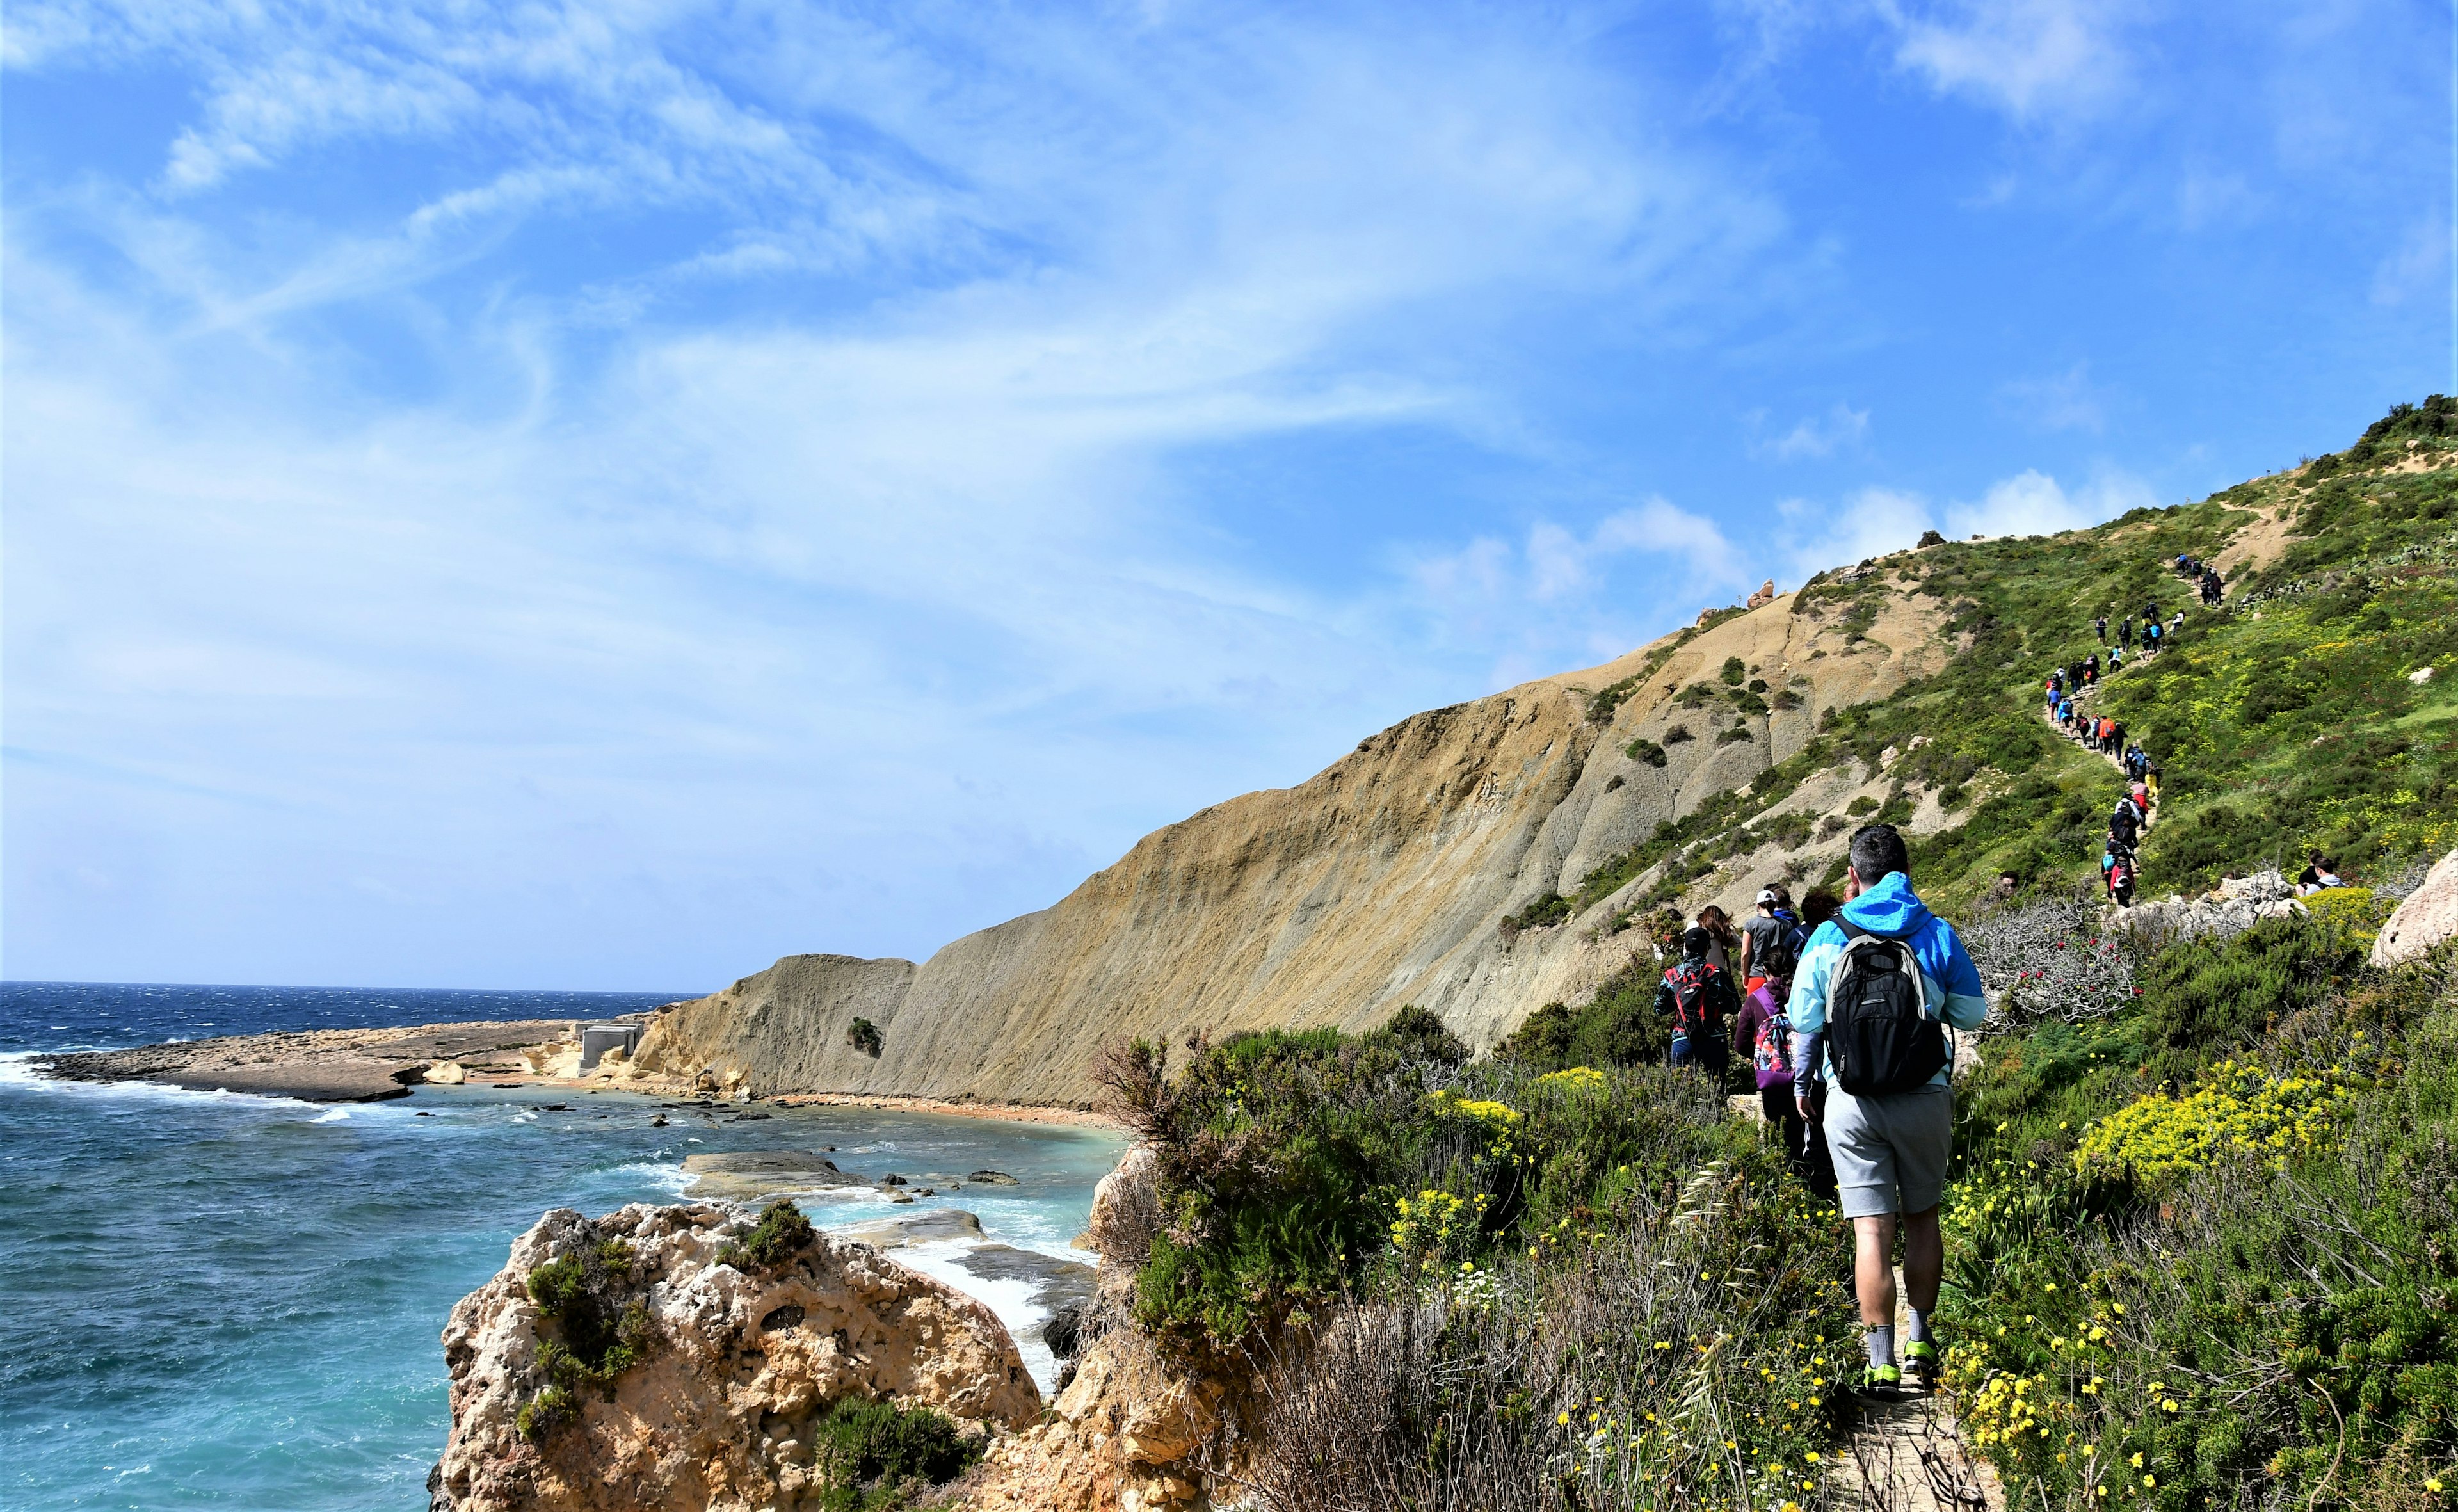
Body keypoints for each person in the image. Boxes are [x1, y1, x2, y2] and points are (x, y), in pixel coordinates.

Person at [1789, 824, 1988, 1396]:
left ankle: (1880, 1363)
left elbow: (1804, 1021)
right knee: (1923, 1219)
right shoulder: (1934, 930)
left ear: (1853, 876)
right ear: (1906, 872)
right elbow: (1972, 1015)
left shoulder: (1829, 936)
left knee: (1871, 1233)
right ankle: (1921, 1341)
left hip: (1852, 1101)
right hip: (1924, 1094)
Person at [1733, 974, 1808, 1181]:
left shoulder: (1755, 1000)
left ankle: (1781, 1179)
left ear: (1766, 970)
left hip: (1771, 1080)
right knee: (1801, 1132)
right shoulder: (1802, 995)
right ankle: (1805, 1178)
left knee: (1775, 1130)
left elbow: (1740, 1043)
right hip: (1802, 1077)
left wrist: (1762, 1058)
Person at [1657, 927, 1739, 1077]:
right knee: (1717, 1088)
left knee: (1683, 1091)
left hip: (1682, 1037)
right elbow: (1735, 1006)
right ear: (1707, 948)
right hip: (1714, 1037)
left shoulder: (1671, 976)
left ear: (1685, 947)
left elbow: (1659, 1009)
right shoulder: (1717, 973)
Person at [1740, 887, 1804, 993]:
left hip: (1757, 974)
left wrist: (1744, 973)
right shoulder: (1786, 924)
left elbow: (1745, 952)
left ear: (1758, 906)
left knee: (1754, 1007)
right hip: (1780, 976)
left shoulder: (1751, 924)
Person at [1694, 904, 1740, 976]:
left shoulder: (1694, 925)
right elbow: (1740, 942)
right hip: (1717, 973)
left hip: (1697, 972)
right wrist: (1727, 927)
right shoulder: (1721, 930)